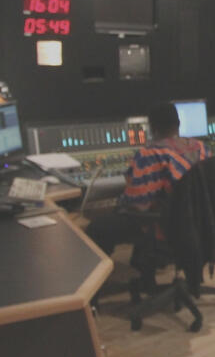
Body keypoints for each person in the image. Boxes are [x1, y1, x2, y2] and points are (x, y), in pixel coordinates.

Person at [84, 101, 207, 255]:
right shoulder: (201, 148)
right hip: (197, 224)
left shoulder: (149, 154)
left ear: (152, 128)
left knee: (97, 228)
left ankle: (104, 276)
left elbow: (138, 204)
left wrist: (117, 205)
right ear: (179, 123)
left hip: (163, 228)